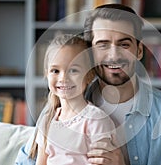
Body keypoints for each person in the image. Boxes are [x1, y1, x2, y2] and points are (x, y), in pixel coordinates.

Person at [16, 4, 161, 165]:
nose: (114, 55)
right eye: (103, 45)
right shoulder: (58, 110)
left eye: (124, 45)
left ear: (139, 51)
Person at [28, 34, 117, 165]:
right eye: (55, 70)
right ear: (46, 74)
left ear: (89, 75)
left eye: (73, 70)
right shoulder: (46, 120)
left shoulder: (96, 120)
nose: (63, 78)